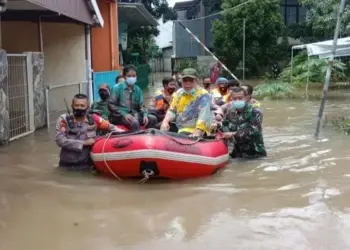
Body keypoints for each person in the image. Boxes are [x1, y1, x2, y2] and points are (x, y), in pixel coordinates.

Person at [55, 94, 121, 170]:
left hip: (87, 165)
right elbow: (60, 140)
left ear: (88, 107)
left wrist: (127, 133)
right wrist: (84, 143)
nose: (79, 108)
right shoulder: (64, 119)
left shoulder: (94, 119)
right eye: (76, 105)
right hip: (66, 164)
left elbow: (113, 128)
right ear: (72, 106)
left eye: (82, 106)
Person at [215, 87, 266, 159]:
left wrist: (233, 134)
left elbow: (254, 131)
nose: (237, 100)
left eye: (240, 98)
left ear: (246, 98)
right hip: (237, 153)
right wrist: (217, 125)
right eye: (234, 99)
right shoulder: (230, 111)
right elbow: (225, 125)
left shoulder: (255, 112)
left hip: (255, 154)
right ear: (231, 99)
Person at [160, 68, 212, 137]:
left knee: (182, 135)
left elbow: (203, 116)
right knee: (160, 129)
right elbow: (172, 110)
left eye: (191, 80)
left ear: (196, 81)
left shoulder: (204, 95)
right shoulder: (179, 93)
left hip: (194, 129)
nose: (187, 83)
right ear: (181, 81)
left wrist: (198, 130)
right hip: (179, 126)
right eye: (185, 80)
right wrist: (165, 121)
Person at [108, 64, 157, 131]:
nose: (132, 78)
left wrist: (145, 115)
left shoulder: (138, 89)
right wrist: (124, 114)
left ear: (136, 77)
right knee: (134, 122)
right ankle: (137, 139)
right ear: (124, 77)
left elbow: (141, 105)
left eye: (134, 76)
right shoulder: (117, 88)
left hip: (133, 114)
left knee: (153, 119)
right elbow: (111, 105)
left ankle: (149, 138)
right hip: (118, 116)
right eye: (129, 76)